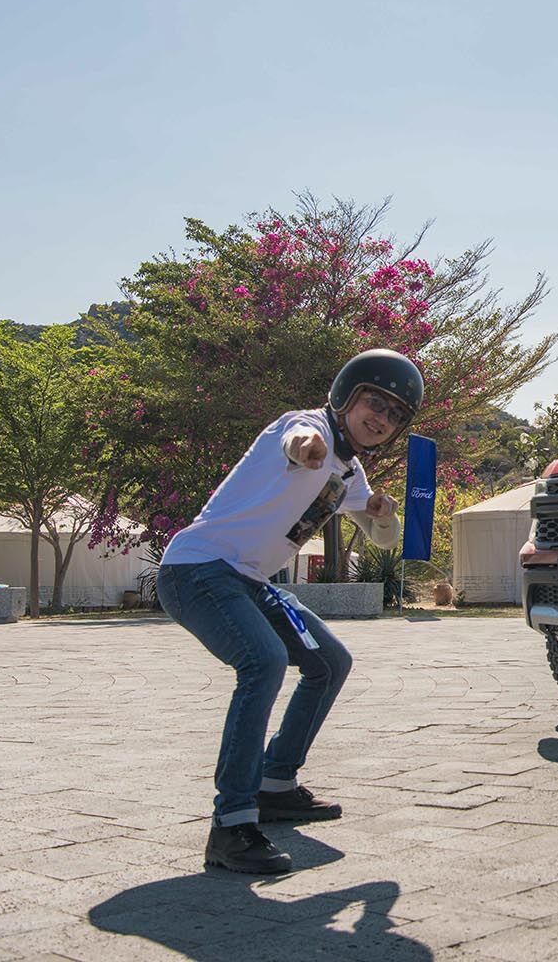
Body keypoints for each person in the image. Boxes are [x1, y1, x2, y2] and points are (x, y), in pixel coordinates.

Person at [156, 349, 424, 873]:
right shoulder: (306, 427)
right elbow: (296, 442)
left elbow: (384, 539)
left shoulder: (350, 471)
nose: (381, 418)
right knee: (263, 662)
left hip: (249, 580)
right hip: (198, 570)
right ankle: (232, 824)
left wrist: (382, 514)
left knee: (329, 662)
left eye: (395, 414)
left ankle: (275, 782)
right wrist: (308, 449)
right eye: (375, 401)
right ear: (347, 395)